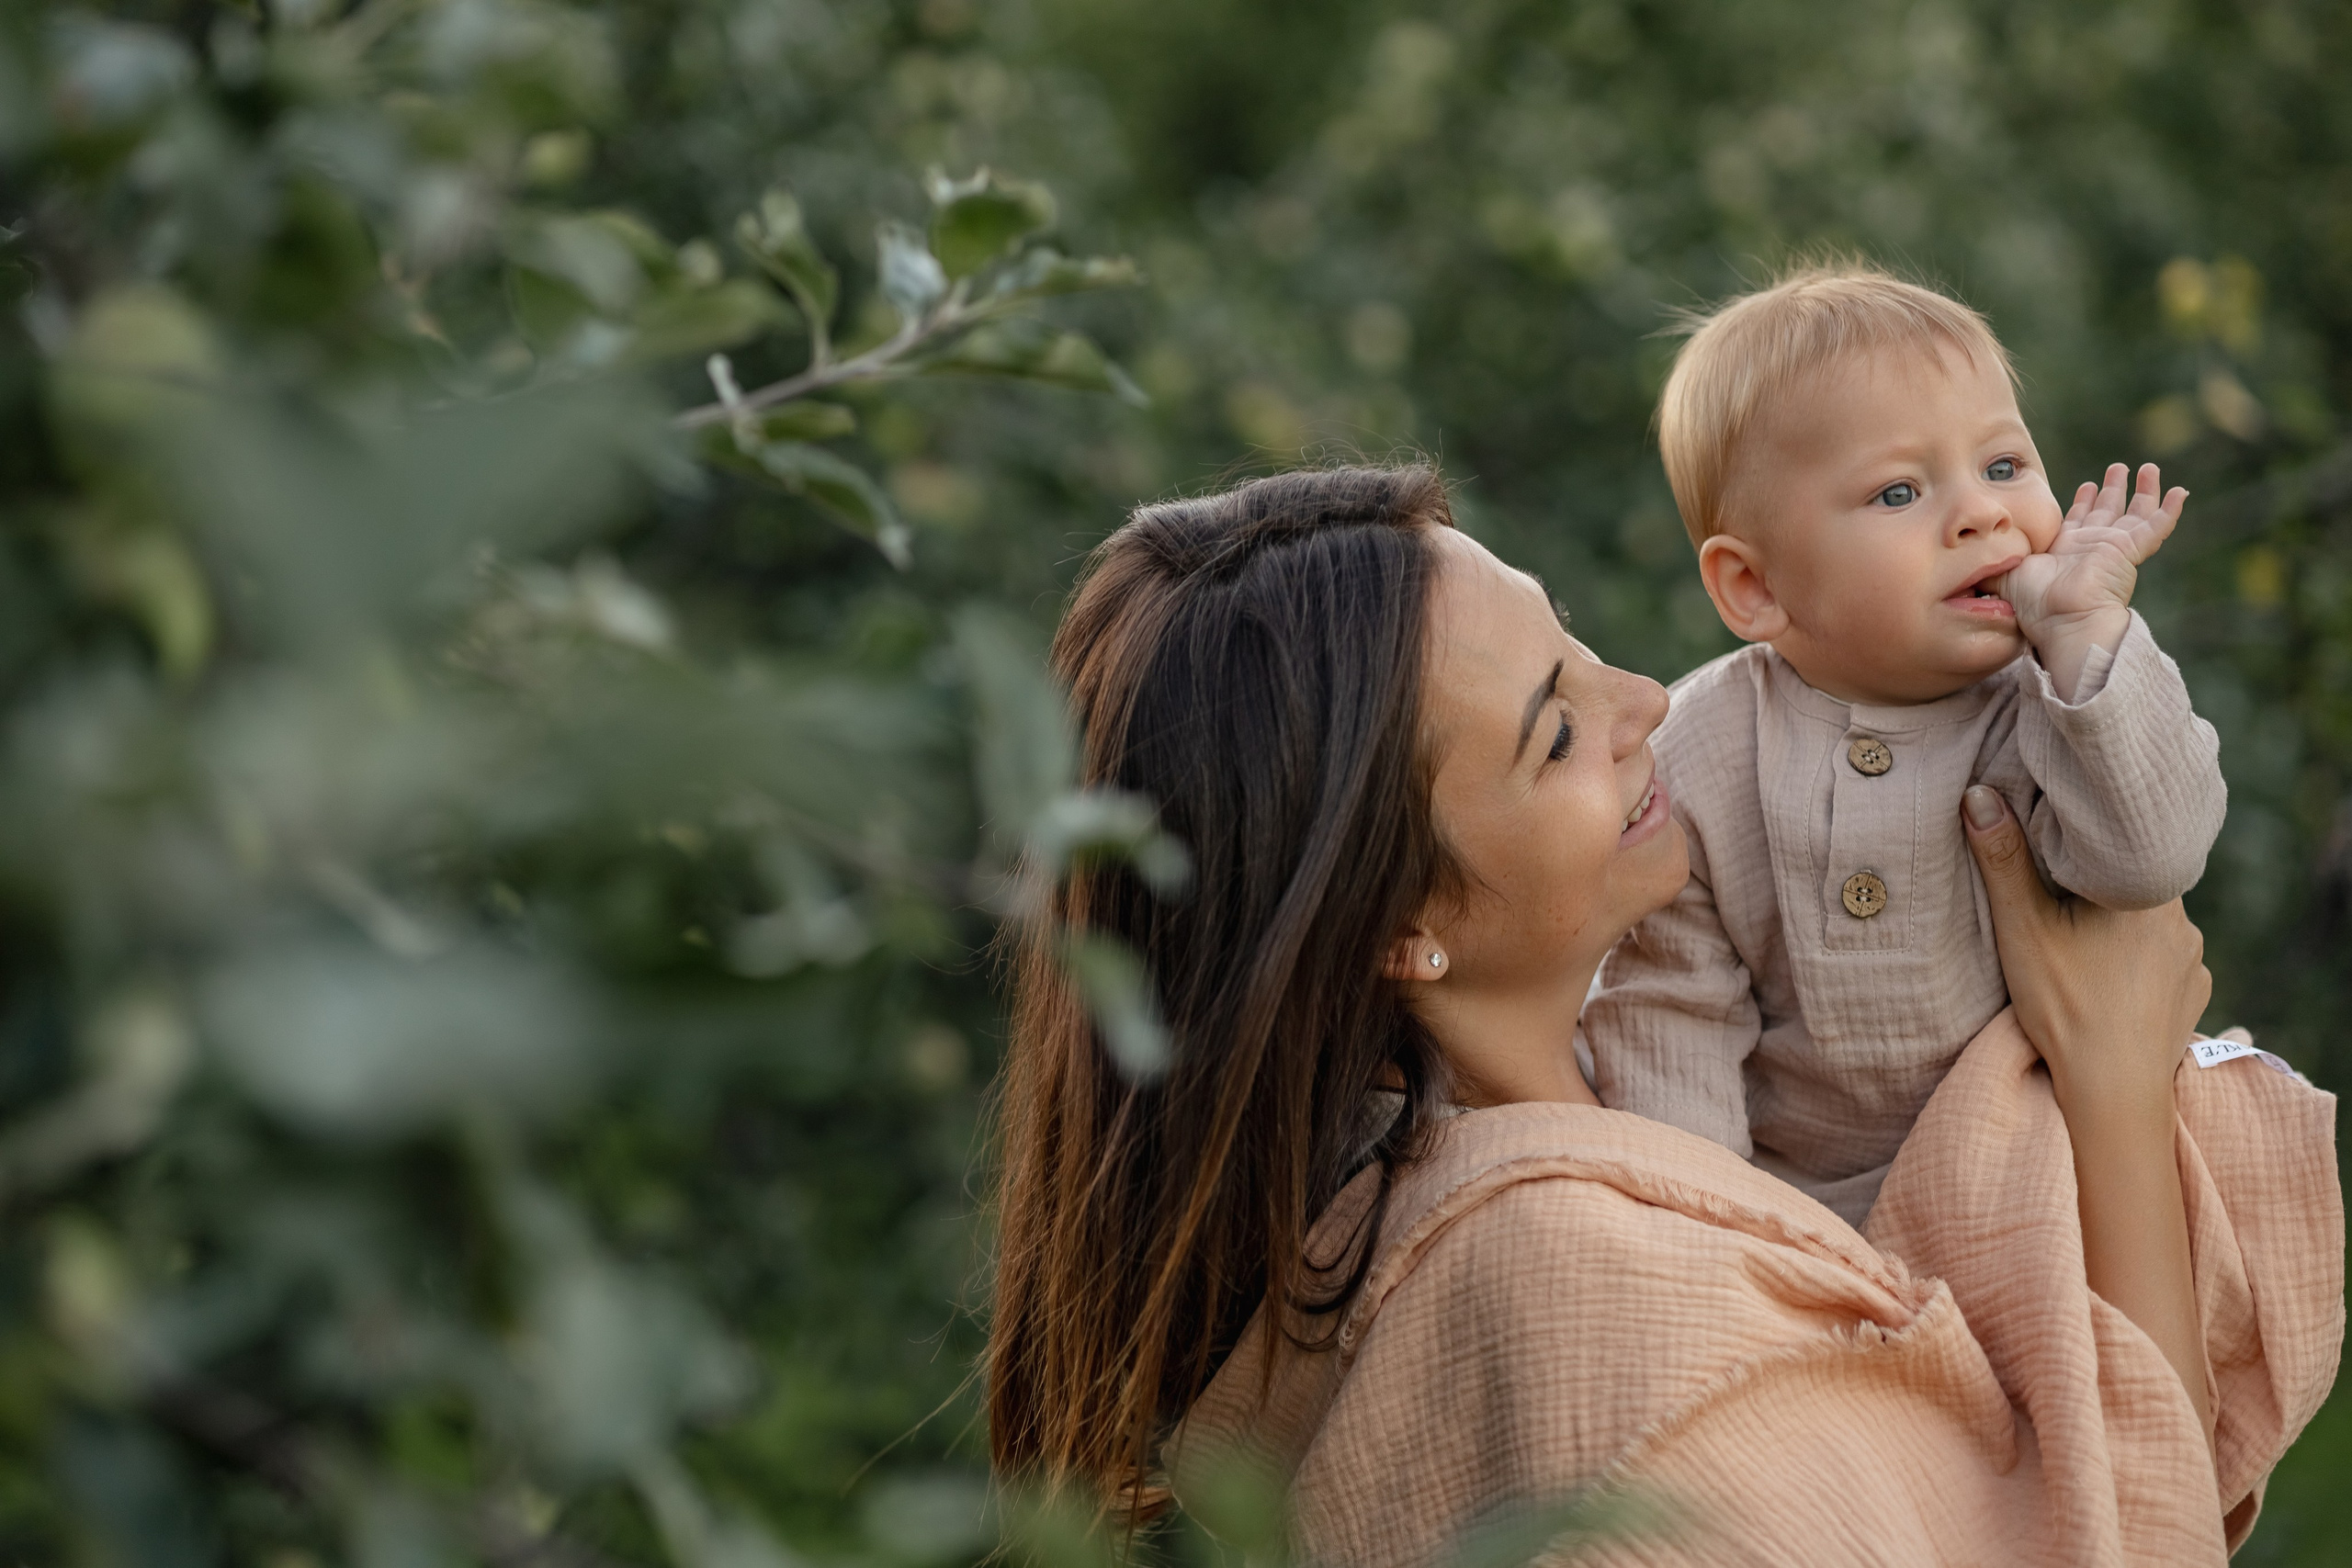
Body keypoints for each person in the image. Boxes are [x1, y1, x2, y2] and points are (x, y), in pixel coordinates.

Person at [985, 466, 2341, 1566]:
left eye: (1575, 644)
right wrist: (2106, 1085)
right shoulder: (1584, 1293)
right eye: (1555, 732)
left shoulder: (1411, 1242)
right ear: (1402, 927)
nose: (1645, 700)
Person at [1582, 264, 2228, 1228]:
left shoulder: (2057, 700)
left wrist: (2090, 635)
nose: (1982, 512)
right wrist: (1718, 1247)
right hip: (1808, 1206)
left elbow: (2155, 857)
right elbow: (1671, 1020)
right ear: (1753, 588)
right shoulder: (1701, 758)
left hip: (2058, 1174)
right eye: (1897, 492)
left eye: (2004, 467)